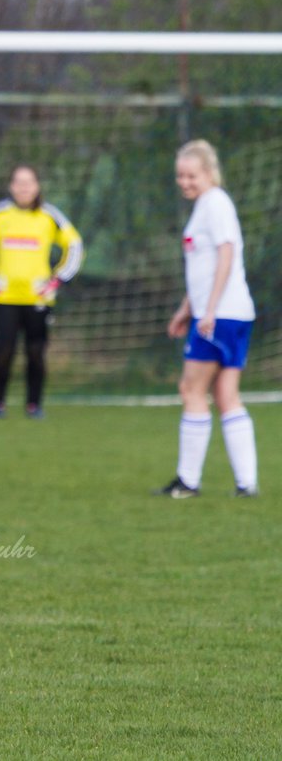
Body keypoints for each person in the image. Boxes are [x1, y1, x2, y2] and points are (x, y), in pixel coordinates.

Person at [155, 139, 258, 499]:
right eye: (180, 176)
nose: (185, 182)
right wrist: (187, 309)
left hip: (222, 314)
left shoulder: (215, 203)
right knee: (226, 394)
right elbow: (204, 268)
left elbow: (226, 254)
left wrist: (209, 310)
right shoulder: (207, 204)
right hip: (233, 313)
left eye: (191, 175)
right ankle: (247, 484)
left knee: (191, 389)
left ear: (209, 172)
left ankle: (188, 482)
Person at [0, 165, 84, 419]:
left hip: (38, 298)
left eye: (28, 183)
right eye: (18, 183)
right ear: (11, 186)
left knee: (35, 352)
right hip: (6, 297)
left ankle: (34, 405)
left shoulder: (49, 216)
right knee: (4, 350)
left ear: (37, 186)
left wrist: (56, 280)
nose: (23, 188)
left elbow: (74, 245)